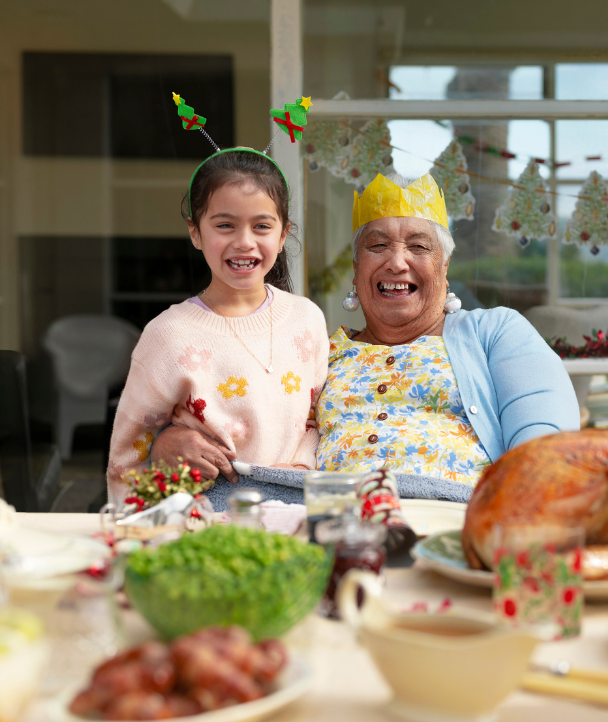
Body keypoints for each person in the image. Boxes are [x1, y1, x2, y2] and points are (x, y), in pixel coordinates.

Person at [313, 172, 577, 490]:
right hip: (333, 523)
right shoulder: (316, 354)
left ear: (445, 266)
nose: (397, 262)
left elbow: (545, 449)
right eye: (379, 245)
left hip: (453, 524)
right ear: (356, 269)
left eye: (419, 246)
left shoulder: (496, 333)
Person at [104, 145, 329, 506]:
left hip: (294, 505)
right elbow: (128, 454)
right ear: (195, 233)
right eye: (225, 225)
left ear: (283, 234)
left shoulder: (306, 319)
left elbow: (321, 419)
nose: (244, 242)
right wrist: (144, 525)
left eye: (262, 226)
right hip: (203, 516)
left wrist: (298, 471)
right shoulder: (169, 334)